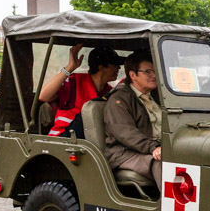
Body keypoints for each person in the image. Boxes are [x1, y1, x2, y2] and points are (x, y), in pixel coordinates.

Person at [103, 51, 163, 186]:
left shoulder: (157, 97)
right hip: (125, 152)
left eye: (155, 71)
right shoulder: (119, 100)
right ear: (133, 75)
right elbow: (125, 133)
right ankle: (170, 200)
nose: (154, 75)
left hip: (156, 147)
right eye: (148, 71)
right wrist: (153, 147)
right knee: (164, 165)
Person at [38, 44, 122, 137]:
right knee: (89, 112)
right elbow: (43, 96)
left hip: (91, 140)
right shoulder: (74, 82)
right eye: (115, 65)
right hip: (63, 139)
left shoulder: (110, 92)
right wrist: (70, 67)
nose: (119, 68)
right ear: (101, 67)